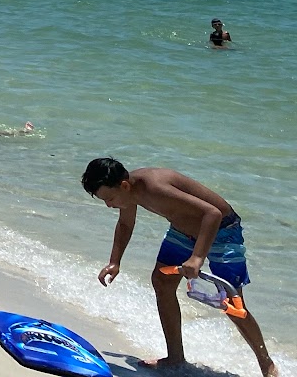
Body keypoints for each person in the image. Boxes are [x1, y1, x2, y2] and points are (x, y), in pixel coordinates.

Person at [81, 157, 275, 377]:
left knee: (233, 303)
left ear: (124, 185)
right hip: (183, 231)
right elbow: (126, 223)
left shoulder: (154, 187)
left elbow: (213, 214)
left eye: (109, 198)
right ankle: (175, 358)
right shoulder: (128, 192)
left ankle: (266, 365)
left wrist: (197, 258)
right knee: (161, 281)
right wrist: (115, 261)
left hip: (222, 231)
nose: (109, 205)